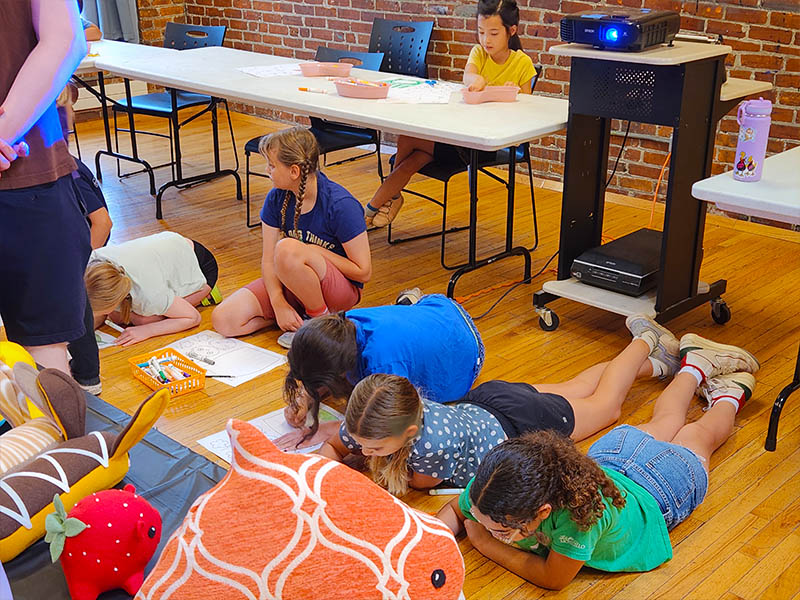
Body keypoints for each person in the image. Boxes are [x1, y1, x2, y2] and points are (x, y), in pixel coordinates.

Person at [436, 331, 760, 591]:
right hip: (615, 455)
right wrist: (435, 539)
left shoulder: (580, 518)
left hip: (660, 486)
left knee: (699, 434)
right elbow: (456, 509)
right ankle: (694, 367)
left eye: (502, 531)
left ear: (542, 512)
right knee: (669, 418)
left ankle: (729, 395)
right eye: (484, 522)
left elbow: (553, 578)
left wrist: (484, 544)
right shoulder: (497, 490)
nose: (488, 529)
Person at [318, 314, 692, 495]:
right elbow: (336, 442)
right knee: (577, 385)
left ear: (410, 433)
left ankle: (645, 339)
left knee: (606, 405)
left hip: (522, 424)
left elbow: (417, 485)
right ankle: (657, 366)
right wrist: (328, 470)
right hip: (488, 401)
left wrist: (361, 471)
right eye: (363, 443)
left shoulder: (428, 449)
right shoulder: (372, 421)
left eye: (375, 447)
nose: (364, 451)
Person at [364, 0, 536, 227]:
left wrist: (514, 94)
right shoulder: (479, 53)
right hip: (459, 136)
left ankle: (373, 210)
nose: (486, 40)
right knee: (410, 156)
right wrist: (478, 80)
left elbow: (527, 111)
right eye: (481, 32)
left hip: (484, 145)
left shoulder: (522, 63)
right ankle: (382, 203)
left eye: (493, 33)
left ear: (511, 31)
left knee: (409, 140)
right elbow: (469, 76)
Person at [212, 127, 371, 349]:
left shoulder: (340, 205)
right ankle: (297, 319)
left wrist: (313, 250)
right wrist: (278, 304)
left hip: (338, 291)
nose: (268, 170)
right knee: (224, 320)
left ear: (294, 171)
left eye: (272, 165)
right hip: (295, 280)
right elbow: (268, 260)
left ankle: (320, 322)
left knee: (287, 248)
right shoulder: (276, 198)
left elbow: (363, 272)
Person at [0, 0, 89, 373]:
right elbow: (65, 39)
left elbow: (65, 41)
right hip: (27, 174)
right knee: (45, 355)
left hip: (28, 180)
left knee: (45, 353)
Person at [277, 293, 485, 449]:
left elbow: (393, 423)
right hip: (439, 306)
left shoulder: (383, 366)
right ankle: (410, 300)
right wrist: (305, 398)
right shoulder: (341, 327)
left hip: (467, 349)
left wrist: (328, 430)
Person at [85, 231, 221, 346]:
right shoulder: (89, 263)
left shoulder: (149, 296)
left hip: (200, 265)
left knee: (143, 320)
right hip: (164, 251)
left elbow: (192, 317)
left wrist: (147, 331)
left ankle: (202, 292)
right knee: (119, 316)